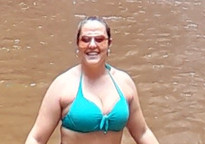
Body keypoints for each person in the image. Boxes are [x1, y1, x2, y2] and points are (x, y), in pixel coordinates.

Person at [24, 17, 161, 144]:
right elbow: (37, 138)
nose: (92, 45)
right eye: (85, 40)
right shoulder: (62, 85)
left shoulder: (124, 82)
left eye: (99, 39)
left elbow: (142, 133)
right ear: (78, 44)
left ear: (109, 43)